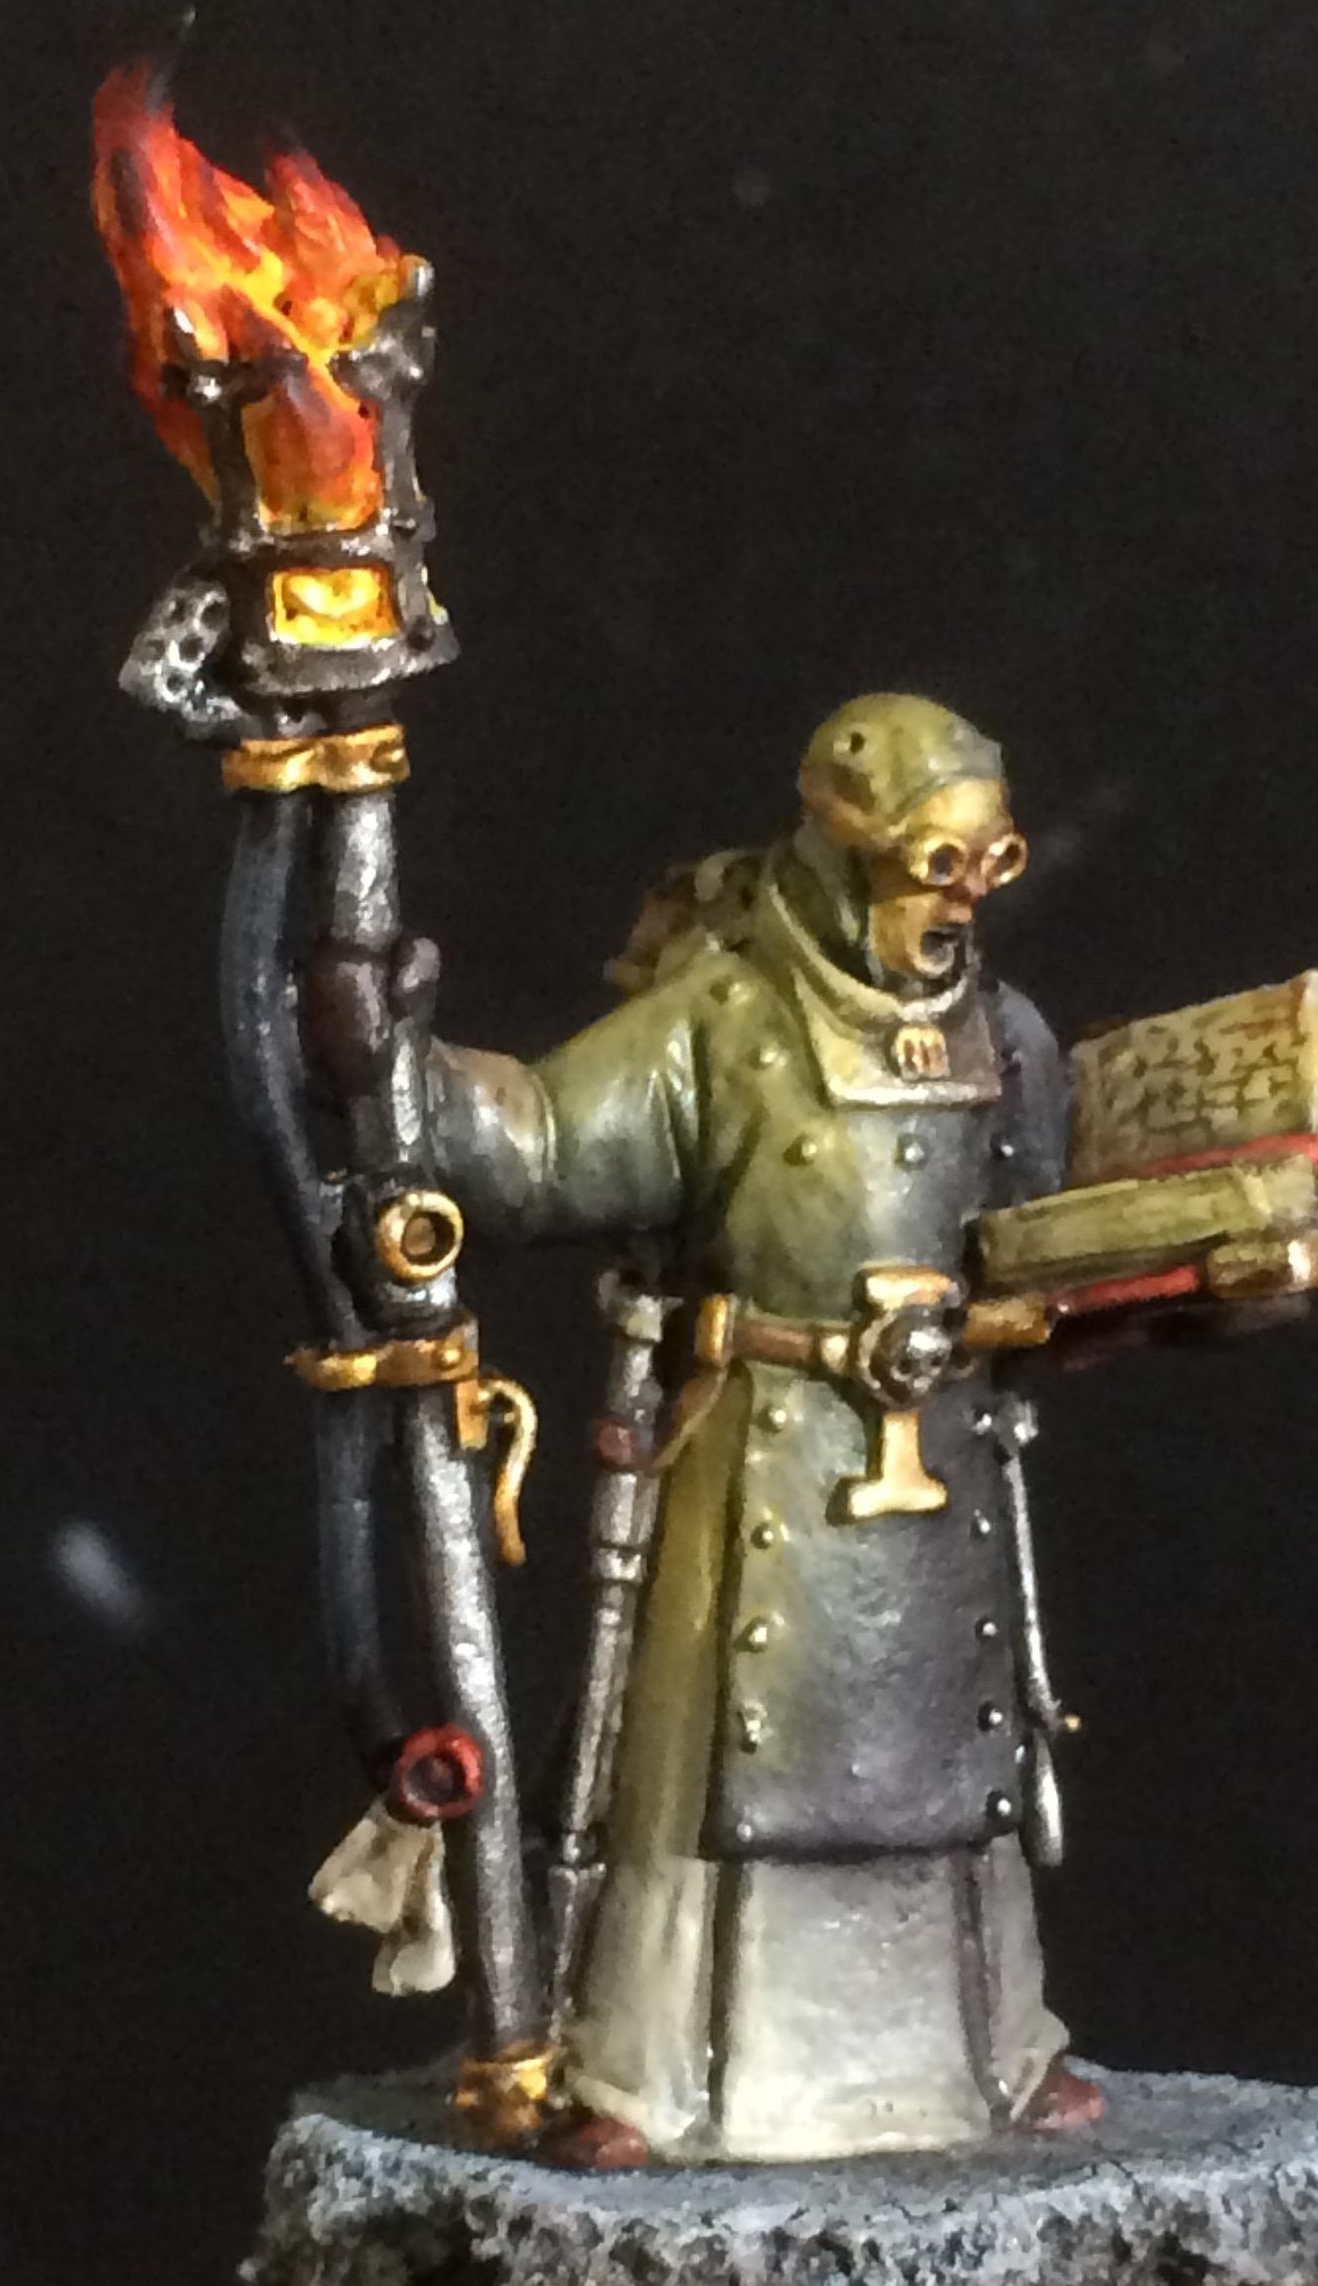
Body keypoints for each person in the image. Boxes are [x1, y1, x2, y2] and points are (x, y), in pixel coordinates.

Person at [413, 692, 1103, 2164]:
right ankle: (662, 2077)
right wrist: (399, 1068)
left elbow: (1049, 1233)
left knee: (955, 1761)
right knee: (721, 1764)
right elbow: (543, 1143)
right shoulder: (726, 1020)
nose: (962, 903)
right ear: (849, 853)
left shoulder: (1009, 1037)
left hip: (946, 1463)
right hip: (762, 1456)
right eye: (933, 865)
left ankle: (989, 2056)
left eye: (990, 864)